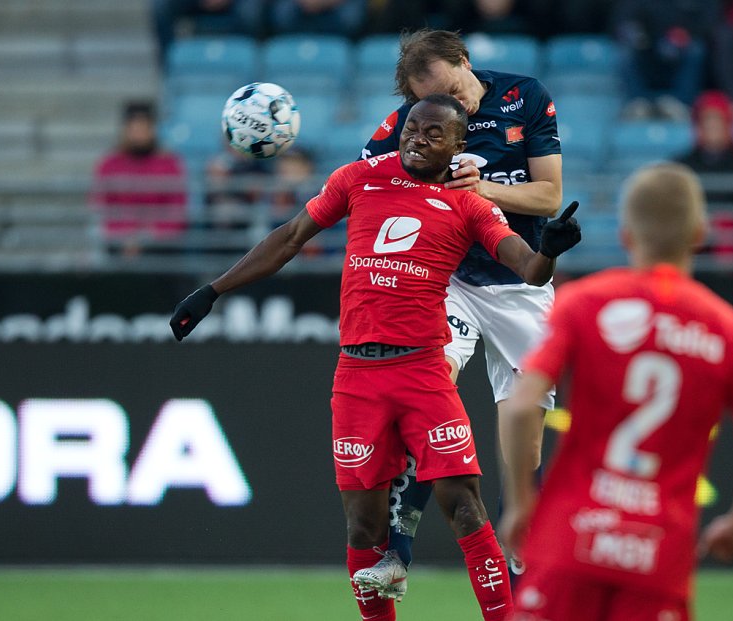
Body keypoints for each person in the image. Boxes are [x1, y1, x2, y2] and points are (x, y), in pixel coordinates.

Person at [170, 95, 583, 621]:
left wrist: (549, 248)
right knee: (365, 527)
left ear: (459, 146)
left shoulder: (470, 204)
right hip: (358, 376)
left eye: (435, 135)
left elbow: (527, 268)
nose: (417, 138)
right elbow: (292, 237)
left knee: (463, 505)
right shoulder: (359, 178)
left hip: (424, 372)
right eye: (413, 128)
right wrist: (214, 290)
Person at [498, 162, 733, 620]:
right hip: (658, 557)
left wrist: (519, 505)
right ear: (700, 233)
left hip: (570, 539)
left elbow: (518, 410)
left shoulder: (585, 303)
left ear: (625, 233)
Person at [354, 28, 562, 594]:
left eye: (454, 89)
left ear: (465, 61)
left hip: (522, 284)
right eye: (434, 98)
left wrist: (483, 190)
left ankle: (524, 591)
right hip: (451, 280)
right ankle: (397, 553)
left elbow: (548, 196)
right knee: (430, 390)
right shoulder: (412, 123)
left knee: (523, 448)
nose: (452, 106)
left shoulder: (525, 96)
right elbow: (366, 181)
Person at [675, 91, 733, 262]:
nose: (713, 128)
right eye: (707, 121)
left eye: (718, 121)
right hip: (696, 247)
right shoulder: (681, 166)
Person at [89, 101, 189, 258]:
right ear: (125, 130)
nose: (139, 135)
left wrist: (148, 237)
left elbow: (176, 210)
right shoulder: (109, 164)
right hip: (118, 244)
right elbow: (101, 206)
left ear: (153, 130)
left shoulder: (169, 164)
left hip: (160, 246)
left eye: (144, 129)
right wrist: (125, 236)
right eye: (134, 129)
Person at [613, 0, 718, 120]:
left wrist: (685, 35)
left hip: (682, 54)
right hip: (647, 53)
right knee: (625, 50)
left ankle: (680, 103)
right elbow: (622, 21)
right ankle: (637, 102)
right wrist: (635, 33)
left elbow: (710, 24)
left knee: (696, 49)